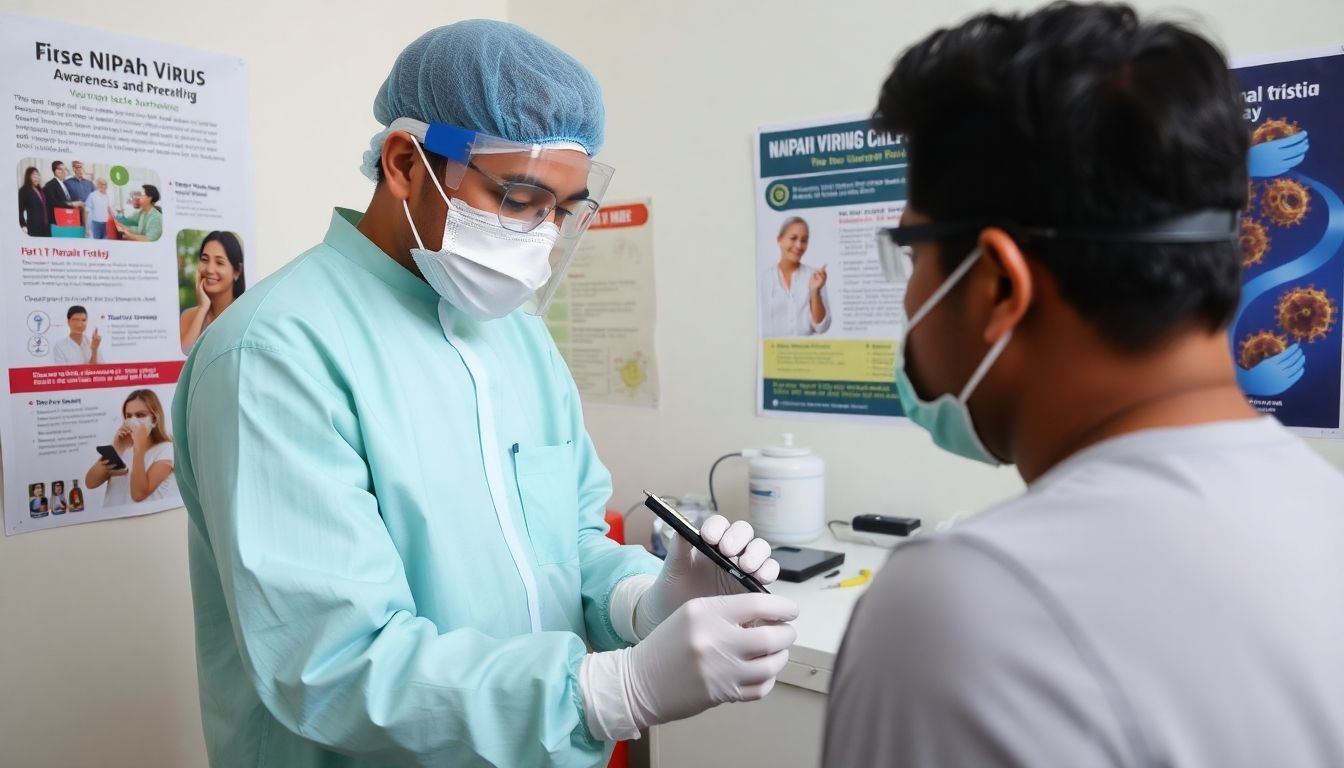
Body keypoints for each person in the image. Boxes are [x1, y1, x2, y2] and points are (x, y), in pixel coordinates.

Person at [173, 20, 797, 767]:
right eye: (520, 197)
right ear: (406, 162)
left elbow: (570, 544)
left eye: (560, 211)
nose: (539, 236)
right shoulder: (274, 354)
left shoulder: (516, 336)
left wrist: (645, 600)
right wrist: (607, 693)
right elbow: (332, 665)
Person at [823, 5, 1344, 767]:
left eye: (910, 251)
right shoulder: (1324, 517)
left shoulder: (961, 611)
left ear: (999, 283)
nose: (907, 300)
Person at [86, 389, 176, 508]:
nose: (133, 421)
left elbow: (138, 494)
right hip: (112, 522)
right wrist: (117, 448)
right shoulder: (125, 448)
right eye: (128, 416)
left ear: (154, 419)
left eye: (140, 415)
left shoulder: (166, 449)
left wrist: (139, 448)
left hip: (144, 524)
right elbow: (91, 482)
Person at [761, 216, 830, 336]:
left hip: (805, 352)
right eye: (793, 238)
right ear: (779, 240)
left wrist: (815, 291)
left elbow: (821, 327)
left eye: (804, 240)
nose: (799, 246)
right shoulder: (764, 278)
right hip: (776, 352)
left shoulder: (815, 277)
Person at [179, 231, 245, 354]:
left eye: (219, 262)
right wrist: (203, 308)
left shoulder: (244, 316)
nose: (209, 269)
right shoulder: (188, 316)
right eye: (204, 260)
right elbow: (184, 357)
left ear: (237, 271)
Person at [43, 161, 81, 227]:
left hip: (66, 219)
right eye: (60, 169)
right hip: (56, 222)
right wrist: (71, 204)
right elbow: (53, 203)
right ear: (55, 171)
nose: (64, 172)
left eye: (64, 169)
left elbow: (65, 199)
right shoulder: (49, 185)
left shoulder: (63, 184)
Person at [18, 166, 49, 237]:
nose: (37, 177)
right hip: (33, 227)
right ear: (28, 176)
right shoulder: (23, 190)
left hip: (45, 226)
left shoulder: (41, 190)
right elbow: (20, 210)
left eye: (38, 175)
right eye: (34, 175)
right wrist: (23, 225)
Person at [65, 161, 95, 227]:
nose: (80, 169)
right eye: (78, 167)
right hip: (74, 214)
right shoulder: (67, 182)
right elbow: (64, 199)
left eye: (81, 167)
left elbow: (95, 197)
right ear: (73, 169)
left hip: (89, 214)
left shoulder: (89, 183)